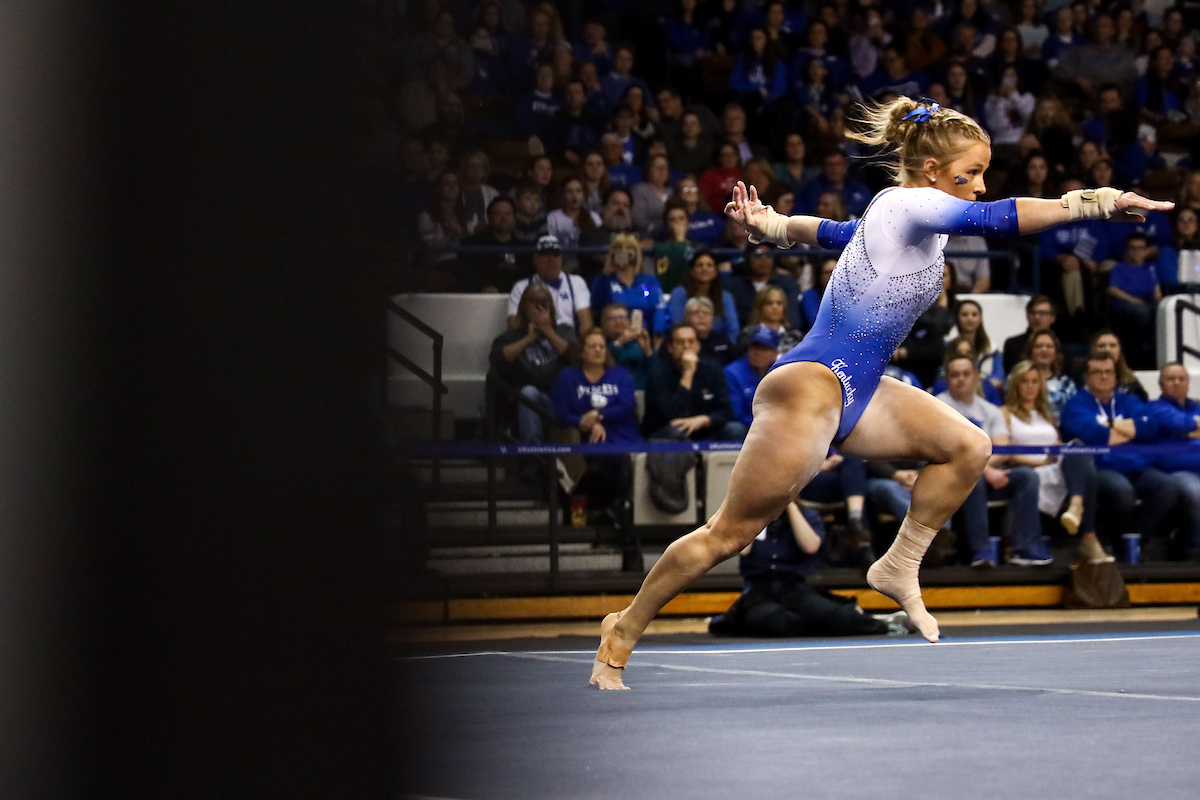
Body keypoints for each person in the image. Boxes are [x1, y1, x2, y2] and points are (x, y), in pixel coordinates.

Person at [591, 95, 1171, 689]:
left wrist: (769, 226)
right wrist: (1095, 202)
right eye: (968, 175)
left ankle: (899, 563)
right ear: (931, 175)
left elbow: (831, 231)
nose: (979, 186)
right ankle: (625, 627)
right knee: (730, 536)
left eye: (983, 173)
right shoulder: (909, 203)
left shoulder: (904, 219)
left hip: (862, 391)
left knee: (970, 448)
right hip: (812, 386)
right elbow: (1000, 218)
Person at [708, 498, 912, 638]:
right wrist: (760, 513)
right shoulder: (750, 519)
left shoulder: (808, 516)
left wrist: (790, 505)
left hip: (795, 588)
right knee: (777, 622)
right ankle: (821, 623)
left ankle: (886, 626)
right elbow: (742, 550)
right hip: (760, 592)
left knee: (836, 615)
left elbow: (810, 545)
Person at [1060, 351, 1179, 561]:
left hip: (1138, 465)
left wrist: (1112, 425)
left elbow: (1150, 427)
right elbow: (1097, 436)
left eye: (1108, 372)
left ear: (1116, 376)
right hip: (1102, 466)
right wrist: (1130, 430)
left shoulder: (1129, 400)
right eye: (1097, 372)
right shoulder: (1075, 405)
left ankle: (1133, 542)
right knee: (1122, 493)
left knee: (1167, 487)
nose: (1104, 377)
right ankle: (1119, 544)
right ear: (1086, 377)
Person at [937, 355, 1050, 566]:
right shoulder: (937, 406)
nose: (961, 379)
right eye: (955, 375)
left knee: (1027, 477)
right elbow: (949, 451)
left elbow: (1003, 447)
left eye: (966, 374)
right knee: (974, 479)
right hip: (950, 480)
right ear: (947, 379)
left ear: (977, 377)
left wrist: (986, 468)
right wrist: (984, 470)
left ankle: (1024, 548)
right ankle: (981, 552)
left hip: (987, 473)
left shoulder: (990, 411)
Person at [999, 360, 1105, 562]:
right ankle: (1088, 535)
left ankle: (1076, 505)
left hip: (1053, 466)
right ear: (1016, 385)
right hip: (1028, 470)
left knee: (1077, 451)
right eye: (1025, 382)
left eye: (1034, 382)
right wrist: (1040, 462)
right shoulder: (1005, 413)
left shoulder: (1046, 414)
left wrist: (1055, 454)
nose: (1030, 387)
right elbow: (1007, 452)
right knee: (1086, 472)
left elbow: (1056, 444)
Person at [489, 283, 575, 445]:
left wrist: (547, 331)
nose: (539, 306)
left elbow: (575, 356)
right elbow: (498, 359)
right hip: (525, 403)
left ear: (551, 307)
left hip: (559, 402)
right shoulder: (510, 337)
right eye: (534, 302)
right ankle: (533, 451)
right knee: (529, 392)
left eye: (544, 302)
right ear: (523, 308)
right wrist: (529, 338)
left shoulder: (563, 331)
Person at [641, 323, 744, 442]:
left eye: (691, 341)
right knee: (678, 431)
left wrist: (704, 420)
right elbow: (672, 415)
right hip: (666, 432)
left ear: (698, 346)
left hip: (704, 429)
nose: (686, 346)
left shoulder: (713, 369)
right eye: (680, 342)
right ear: (670, 347)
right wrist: (688, 373)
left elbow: (726, 411)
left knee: (735, 430)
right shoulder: (657, 373)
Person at [1144, 363, 1200, 561]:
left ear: (1188, 383)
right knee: (1196, 493)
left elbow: (1183, 426)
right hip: (1175, 471)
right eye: (1171, 379)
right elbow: (1180, 423)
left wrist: (1185, 432)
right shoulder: (1154, 408)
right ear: (1161, 384)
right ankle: (1191, 548)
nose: (1177, 383)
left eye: (1181, 379)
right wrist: (1189, 429)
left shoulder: (1197, 407)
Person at [507, 235, 592, 334]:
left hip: (568, 339)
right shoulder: (521, 287)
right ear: (535, 259)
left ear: (561, 258)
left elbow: (586, 323)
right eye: (545, 254)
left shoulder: (576, 282)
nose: (550, 260)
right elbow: (513, 324)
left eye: (555, 255)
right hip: (535, 336)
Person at [589, 233, 668, 337]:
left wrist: (658, 334)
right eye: (619, 251)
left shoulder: (647, 282)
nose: (624, 255)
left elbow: (658, 307)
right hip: (615, 335)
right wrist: (607, 271)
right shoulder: (604, 281)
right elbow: (597, 309)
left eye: (628, 251)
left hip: (645, 334)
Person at [1107, 232, 1162, 369]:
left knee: (1160, 311)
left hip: (1147, 302)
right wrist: (1134, 300)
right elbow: (1113, 290)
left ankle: (1158, 348)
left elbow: (1157, 290)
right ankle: (1146, 350)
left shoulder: (1151, 268)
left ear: (1146, 250)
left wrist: (1162, 304)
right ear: (1127, 250)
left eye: (1141, 248)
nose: (1137, 252)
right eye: (1133, 248)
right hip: (1125, 303)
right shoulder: (1120, 268)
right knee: (1141, 312)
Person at [721, 241, 803, 331]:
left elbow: (793, 320)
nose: (763, 260)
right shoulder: (734, 285)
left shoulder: (788, 283)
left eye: (768, 255)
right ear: (748, 258)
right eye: (758, 255)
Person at [668, 249, 740, 339]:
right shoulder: (679, 294)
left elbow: (733, 330)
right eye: (699, 265)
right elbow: (676, 325)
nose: (704, 268)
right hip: (686, 344)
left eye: (709, 265)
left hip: (717, 347)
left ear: (715, 271)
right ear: (692, 271)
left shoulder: (725, 297)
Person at [460, 195, 525, 293]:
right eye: (497, 214)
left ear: (514, 218)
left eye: (507, 214)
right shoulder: (474, 245)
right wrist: (481, 288)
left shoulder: (523, 249)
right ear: (489, 218)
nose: (503, 218)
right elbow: (466, 276)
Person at [725, 326, 780, 428]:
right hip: (748, 425)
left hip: (777, 425)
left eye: (764, 349)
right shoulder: (733, 373)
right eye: (755, 348)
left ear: (775, 353)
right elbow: (736, 413)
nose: (758, 353)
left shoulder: (782, 372)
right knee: (734, 428)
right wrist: (765, 425)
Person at [1022, 329, 1076, 420]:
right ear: (1030, 351)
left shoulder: (1066, 384)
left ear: (1055, 352)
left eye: (1049, 346)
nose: (1044, 350)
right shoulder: (1017, 379)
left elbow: (1074, 414)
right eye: (1038, 346)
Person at [953, 299, 1004, 390]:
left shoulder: (992, 349)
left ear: (980, 318)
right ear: (957, 318)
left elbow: (998, 377)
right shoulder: (948, 345)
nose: (970, 318)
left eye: (974, 314)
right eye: (964, 314)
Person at [599, 302, 652, 389]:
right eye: (613, 318)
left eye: (622, 317)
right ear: (604, 323)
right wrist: (620, 342)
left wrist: (647, 350)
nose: (618, 322)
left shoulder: (638, 345)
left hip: (639, 391)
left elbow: (655, 370)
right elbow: (605, 363)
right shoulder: (600, 344)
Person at [737, 285, 803, 354]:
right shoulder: (749, 334)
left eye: (779, 303)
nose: (775, 307)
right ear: (760, 307)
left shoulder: (794, 336)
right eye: (769, 303)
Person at [1002, 295, 1058, 373]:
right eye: (1033, 313)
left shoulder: (1060, 345)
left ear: (1053, 318)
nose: (1037, 317)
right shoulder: (1013, 344)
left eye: (1042, 313)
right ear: (1027, 316)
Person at [1089, 329, 1148, 402]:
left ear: (1119, 350)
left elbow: (1143, 405)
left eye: (1113, 346)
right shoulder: (1081, 379)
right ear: (1093, 349)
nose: (1107, 349)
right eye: (1101, 346)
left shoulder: (1130, 380)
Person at [684, 297, 736, 366]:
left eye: (706, 313)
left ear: (712, 318)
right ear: (686, 317)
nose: (701, 316)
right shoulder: (682, 341)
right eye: (696, 313)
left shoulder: (721, 339)